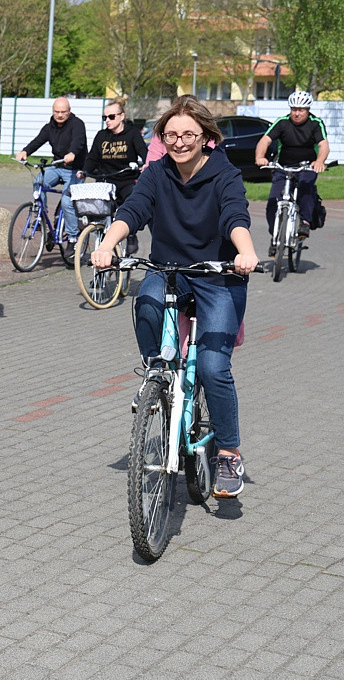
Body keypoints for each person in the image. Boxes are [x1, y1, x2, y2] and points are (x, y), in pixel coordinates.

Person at [90, 96, 259, 498]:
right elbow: (133, 210)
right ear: (162, 138)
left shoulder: (224, 174)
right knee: (145, 304)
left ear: (205, 137)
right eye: (171, 135)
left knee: (214, 368)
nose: (179, 142)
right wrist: (108, 244)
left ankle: (229, 453)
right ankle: (155, 373)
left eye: (188, 134)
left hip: (217, 276)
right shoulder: (157, 173)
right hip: (170, 271)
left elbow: (235, 215)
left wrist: (245, 252)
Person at [254, 90, 329, 255]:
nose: (296, 113)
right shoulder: (282, 122)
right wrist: (260, 157)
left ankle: (305, 222)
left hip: (307, 166)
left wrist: (319, 162)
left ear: (307, 110)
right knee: (273, 202)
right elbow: (264, 140)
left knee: (306, 187)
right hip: (283, 166)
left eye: (301, 110)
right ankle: (275, 238)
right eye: (294, 109)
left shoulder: (315, 123)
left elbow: (323, 145)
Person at [15, 97, 87, 257]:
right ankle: (41, 216)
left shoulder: (77, 124)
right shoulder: (50, 127)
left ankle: (73, 238)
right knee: (38, 182)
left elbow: (78, 142)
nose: (60, 115)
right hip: (58, 166)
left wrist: (73, 153)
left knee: (67, 200)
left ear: (69, 111)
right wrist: (25, 151)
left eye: (63, 112)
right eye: (57, 112)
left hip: (75, 169)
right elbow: (38, 140)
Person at [78, 99, 147, 255]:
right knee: (95, 210)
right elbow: (92, 157)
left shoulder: (132, 133)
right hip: (105, 180)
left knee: (129, 202)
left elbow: (144, 152)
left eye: (111, 117)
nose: (107, 121)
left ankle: (130, 235)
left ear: (122, 116)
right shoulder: (101, 135)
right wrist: (84, 171)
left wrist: (145, 165)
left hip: (126, 179)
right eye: (105, 118)